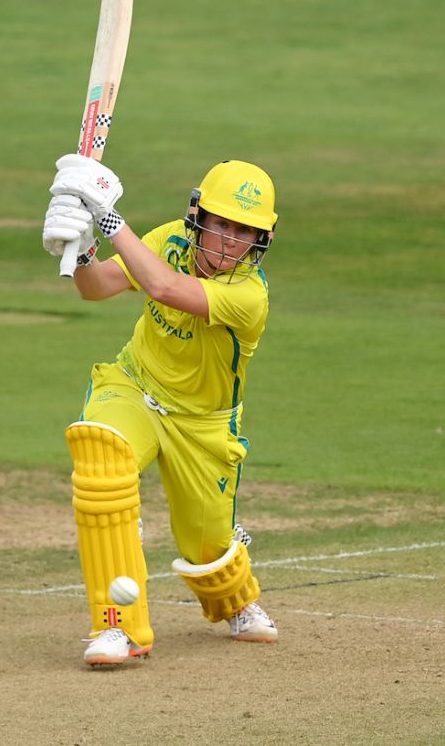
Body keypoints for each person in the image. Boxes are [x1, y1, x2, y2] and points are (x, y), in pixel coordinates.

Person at [41, 153, 280, 667]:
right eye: (222, 225)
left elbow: (165, 288)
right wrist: (81, 249)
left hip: (204, 424)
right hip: (135, 387)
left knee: (207, 542)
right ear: (198, 218)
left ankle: (236, 600)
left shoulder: (249, 296)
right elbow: (98, 287)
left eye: (246, 231)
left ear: (262, 239)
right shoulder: (169, 239)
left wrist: (107, 218)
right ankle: (118, 629)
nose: (231, 241)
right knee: (102, 459)